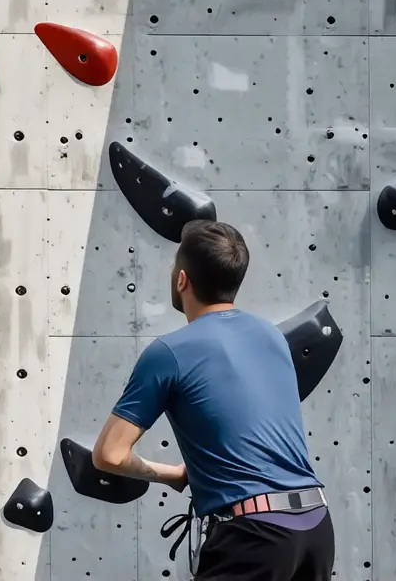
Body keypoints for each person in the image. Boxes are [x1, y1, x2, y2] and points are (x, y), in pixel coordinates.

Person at [92, 219, 335, 580]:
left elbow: (109, 454)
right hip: (315, 525)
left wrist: (172, 474)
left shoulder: (168, 353)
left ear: (181, 280)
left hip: (255, 538)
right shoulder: (271, 337)